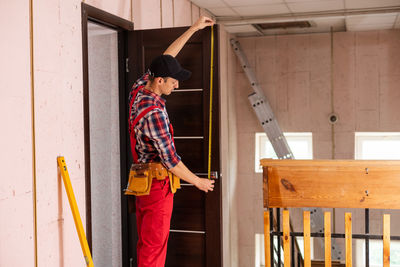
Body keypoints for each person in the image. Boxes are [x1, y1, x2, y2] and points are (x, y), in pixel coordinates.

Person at [128, 16, 215, 267]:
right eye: (173, 80)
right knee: (154, 248)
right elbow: (172, 162)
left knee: (147, 244)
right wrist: (199, 182)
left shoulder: (140, 87)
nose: (177, 84)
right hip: (156, 186)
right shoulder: (153, 113)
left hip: (142, 181)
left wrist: (194, 28)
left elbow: (167, 57)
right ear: (160, 81)